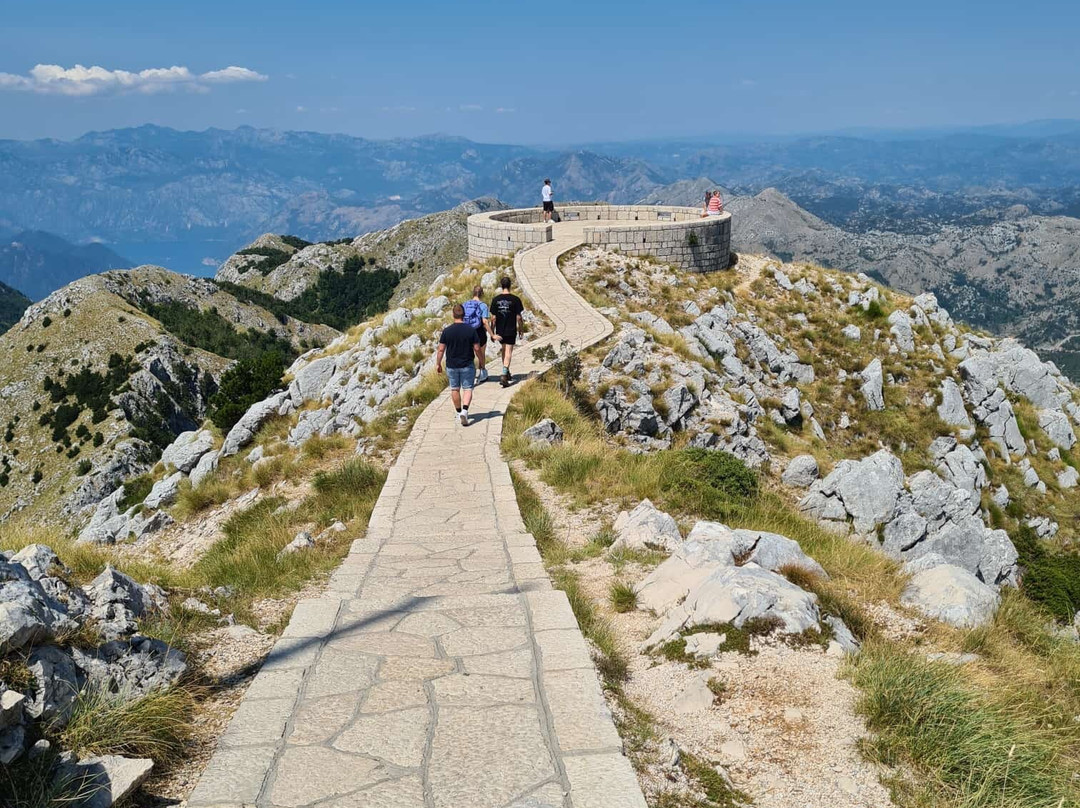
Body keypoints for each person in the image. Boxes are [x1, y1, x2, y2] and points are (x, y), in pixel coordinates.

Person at [436, 303, 480, 425]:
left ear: (453, 314)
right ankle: (465, 411)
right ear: (464, 314)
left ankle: (458, 412)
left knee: (455, 389)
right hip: (467, 364)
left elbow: (441, 349)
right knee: (468, 389)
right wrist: (481, 360)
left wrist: (438, 363)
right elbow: (477, 348)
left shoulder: (447, 331)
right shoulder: (471, 330)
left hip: (452, 365)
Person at [490, 276, 524, 388]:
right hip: (510, 329)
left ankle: (507, 370)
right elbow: (519, 317)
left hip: (500, 330)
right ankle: (504, 374)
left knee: (504, 349)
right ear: (510, 285)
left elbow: (493, 318)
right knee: (509, 350)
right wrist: (521, 329)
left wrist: (492, 332)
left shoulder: (495, 300)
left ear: (501, 285)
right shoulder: (515, 299)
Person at [461, 286, 492, 382]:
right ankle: (482, 372)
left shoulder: (465, 304)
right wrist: (492, 334)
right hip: (479, 332)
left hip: (467, 332)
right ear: (482, 294)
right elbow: (485, 322)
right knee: (481, 353)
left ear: (472, 293)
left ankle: (468, 374)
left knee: (469, 354)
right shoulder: (483, 305)